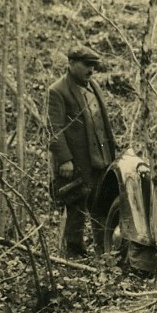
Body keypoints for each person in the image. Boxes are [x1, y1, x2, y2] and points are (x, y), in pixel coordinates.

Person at [47, 45, 117, 257]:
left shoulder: (93, 86)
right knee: (76, 208)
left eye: (93, 65)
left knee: (101, 205)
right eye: (86, 65)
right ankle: (74, 254)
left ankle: (102, 250)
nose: (91, 70)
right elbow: (54, 129)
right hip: (77, 163)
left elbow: (102, 123)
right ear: (71, 63)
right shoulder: (57, 91)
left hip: (101, 159)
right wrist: (65, 160)